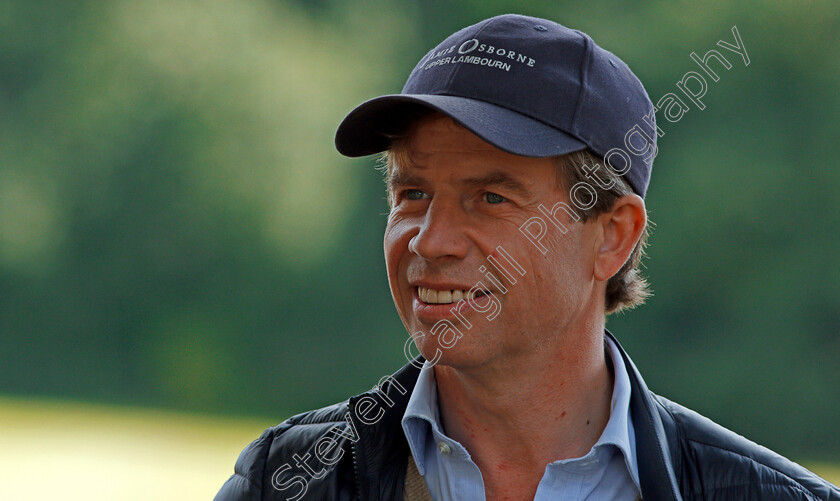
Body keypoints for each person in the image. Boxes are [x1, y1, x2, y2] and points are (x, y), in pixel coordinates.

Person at [215, 14, 839, 501]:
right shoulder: (288, 480)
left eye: (490, 197)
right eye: (412, 193)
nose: (431, 240)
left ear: (611, 236)